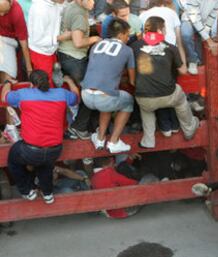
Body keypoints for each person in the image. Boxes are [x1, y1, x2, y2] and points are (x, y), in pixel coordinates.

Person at [1, 70, 79, 204]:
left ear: (31, 84)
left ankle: (27, 191)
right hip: (55, 149)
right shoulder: (61, 93)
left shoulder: (24, 94)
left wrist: (8, 82)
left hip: (30, 150)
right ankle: (48, 194)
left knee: (13, 161)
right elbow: (76, 98)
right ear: (48, 81)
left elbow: (4, 97)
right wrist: (70, 81)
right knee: (46, 166)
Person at [132, 16, 199, 148]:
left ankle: (148, 140)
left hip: (144, 98)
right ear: (160, 30)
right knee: (180, 98)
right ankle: (189, 128)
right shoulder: (170, 48)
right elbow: (183, 71)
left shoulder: (134, 46)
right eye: (165, 28)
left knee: (146, 108)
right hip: (168, 95)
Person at [81, 18, 136, 154]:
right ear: (121, 34)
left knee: (108, 100)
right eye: (127, 34)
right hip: (105, 99)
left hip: (86, 96)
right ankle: (114, 141)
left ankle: (100, 138)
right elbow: (132, 80)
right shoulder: (127, 50)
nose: (128, 38)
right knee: (128, 101)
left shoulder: (95, 46)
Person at [58, 0, 101, 140]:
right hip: (74, 58)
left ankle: (88, 126)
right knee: (93, 92)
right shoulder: (79, 15)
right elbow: (78, 43)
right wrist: (95, 38)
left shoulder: (71, 6)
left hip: (65, 55)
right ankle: (79, 127)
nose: (93, 2)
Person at [27, 0, 71, 87]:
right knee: (46, 84)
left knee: (53, 78)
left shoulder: (54, 3)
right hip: (41, 53)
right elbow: (37, 40)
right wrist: (60, 38)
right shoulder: (40, 10)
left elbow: (61, 8)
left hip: (50, 49)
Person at [180, 0, 218, 74]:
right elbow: (195, 19)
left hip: (203, 22)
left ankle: (198, 60)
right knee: (186, 34)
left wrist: (206, 31)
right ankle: (192, 60)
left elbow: (212, 16)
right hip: (189, 20)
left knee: (201, 58)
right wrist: (208, 39)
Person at [139, 0, 186, 68]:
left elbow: (140, 37)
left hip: (149, 55)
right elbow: (179, 42)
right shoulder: (172, 13)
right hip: (170, 54)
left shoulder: (142, 15)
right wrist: (184, 65)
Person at [0, 0, 32, 83]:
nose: (2, 15)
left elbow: (23, 43)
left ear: (11, 3)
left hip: (10, 39)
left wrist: (29, 69)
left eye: (5, 12)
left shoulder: (16, 12)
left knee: (11, 74)